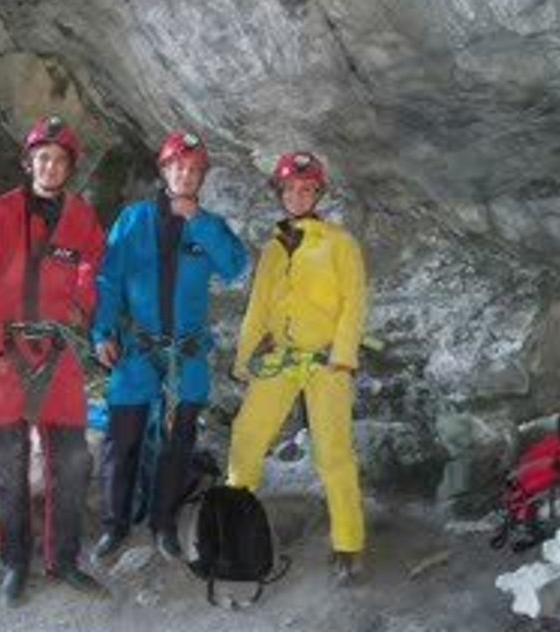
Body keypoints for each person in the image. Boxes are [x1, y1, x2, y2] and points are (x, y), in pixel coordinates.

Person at [91, 130, 248, 562]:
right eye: (178, 167)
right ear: (164, 171)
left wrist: (197, 221)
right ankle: (115, 525)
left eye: (195, 170)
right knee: (122, 439)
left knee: (179, 442)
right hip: (138, 350)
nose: (186, 175)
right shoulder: (134, 220)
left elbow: (235, 266)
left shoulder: (209, 226)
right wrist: (102, 332)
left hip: (187, 353)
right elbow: (109, 279)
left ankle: (163, 523)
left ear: (202, 178)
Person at [0, 115, 106, 607]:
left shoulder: (81, 216)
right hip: (5, 352)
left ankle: (63, 559)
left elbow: (94, 263)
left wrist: (84, 301)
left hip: (57, 352)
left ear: (69, 168)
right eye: (43, 157)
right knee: (9, 464)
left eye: (60, 159)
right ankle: (15, 564)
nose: (50, 166)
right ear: (29, 163)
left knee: (71, 460)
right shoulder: (3, 211)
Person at [227, 151, 368, 583]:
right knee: (247, 435)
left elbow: (354, 302)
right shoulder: (273, 248)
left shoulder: (339, 242)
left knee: (333, 452)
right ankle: (233, 525)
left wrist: (343, 357)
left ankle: (348, 544)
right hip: (280, 357)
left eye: (307, 189)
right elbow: (258, 308)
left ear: (318, 193)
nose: (298, 196)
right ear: (281, 194)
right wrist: (244, 359)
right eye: (290, 189)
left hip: (326, 361)